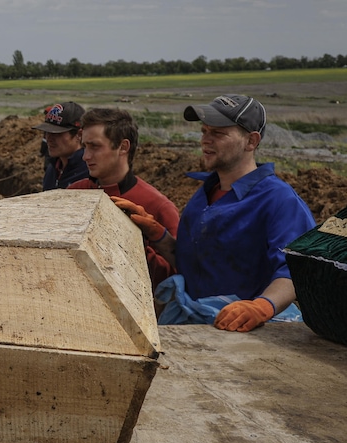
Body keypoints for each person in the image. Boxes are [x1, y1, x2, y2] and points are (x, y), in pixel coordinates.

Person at [115, 95, 315, 332]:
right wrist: (158, 234)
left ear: (251, 141)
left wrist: (261, 308)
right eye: (204, 131)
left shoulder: (278, 200)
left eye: (218, 134)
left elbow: (295, 271)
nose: (205, 141)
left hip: (248, 330)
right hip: (201, 320)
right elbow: (194, 264)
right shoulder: (206, 194)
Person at [68, 108, 179, 291]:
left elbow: (176, 277)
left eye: (95, 146)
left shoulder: (158, 206)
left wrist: (136, 250)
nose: (86, 156)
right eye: (85, 146)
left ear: (123, 147)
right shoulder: (73, 194)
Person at [36, 101, 89, 191]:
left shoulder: (89, 170)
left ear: (79, 135)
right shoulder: (53, 167)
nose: (49, 138)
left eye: (57, 133)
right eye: (47, 132)